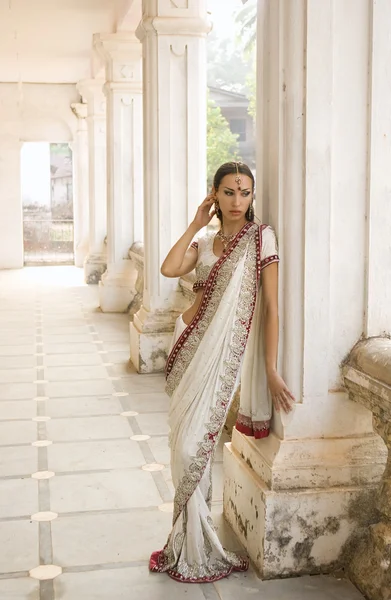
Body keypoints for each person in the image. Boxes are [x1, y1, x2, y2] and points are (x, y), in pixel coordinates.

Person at [149, 161, 295, 583]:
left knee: (192, 445)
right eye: (228, 192)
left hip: (221, 354)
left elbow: (271, 308)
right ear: (214, 194)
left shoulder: (260, 237)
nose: (237, 200)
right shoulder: (208, 240)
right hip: (187, 341)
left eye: (244, 192)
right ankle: (186, 540)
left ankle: (198, 544)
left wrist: (269, 368)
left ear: (253, 195)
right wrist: (196, 223)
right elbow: (169, 267)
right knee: (180, 444)